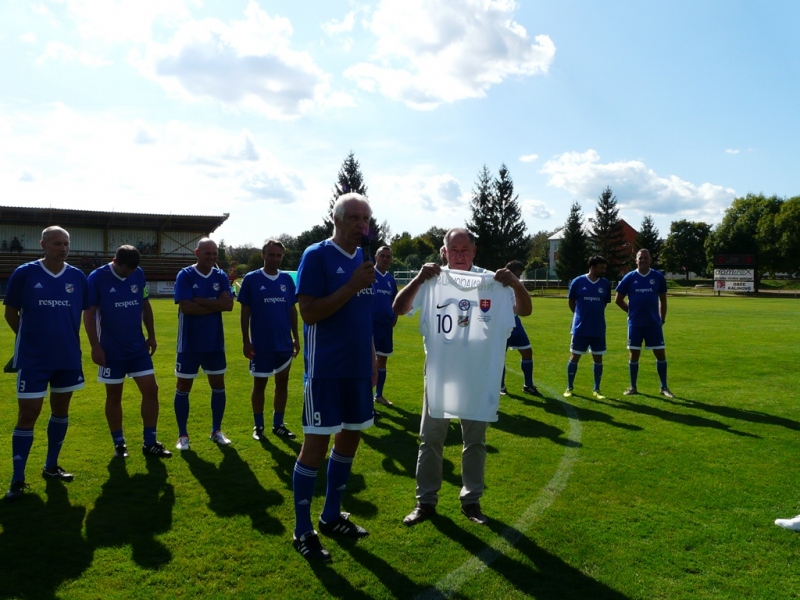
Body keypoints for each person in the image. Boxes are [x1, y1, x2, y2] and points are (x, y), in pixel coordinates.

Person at [394, 228, 532, 527]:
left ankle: (471, 501)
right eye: (453, 249)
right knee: (430, 439)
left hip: (479, 372)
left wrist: (515, 284)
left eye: (464, 249)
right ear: (444, 252)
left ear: (474, 251)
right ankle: (425, 501)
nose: (458, 254)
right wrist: (418, 278)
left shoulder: (493, 281)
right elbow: (398, 308)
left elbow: (525, 310)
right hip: (441, 371)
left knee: (475, 440)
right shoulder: (433, 279)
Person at [291, 193, 377, 562]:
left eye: (366, 218)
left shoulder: (364, 258)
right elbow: (309, 313)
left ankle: (330, 516)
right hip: (326, 370)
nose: (362, 225)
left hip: (359, 369)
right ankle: (302, 530)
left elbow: (364, 314)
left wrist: (372, 356)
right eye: (355, 217)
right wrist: (350, 286)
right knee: (315, 446)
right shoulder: (316, 255)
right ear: (337, 219)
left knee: (350, 440)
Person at [3, 226, 89, 500]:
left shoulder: (77, 276)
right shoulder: (25, 273)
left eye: (66, 243)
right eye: (56, 243)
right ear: (43, 244)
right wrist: (28, 339)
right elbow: (10, 312)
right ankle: (17, 478)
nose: (62, 248)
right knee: (28, 415)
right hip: (34, 359)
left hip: (67, 358)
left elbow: (85, 312)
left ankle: (51, 465)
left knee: (61, 412)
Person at [83, 245, 172, 459]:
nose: (130, 274)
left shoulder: (138, 273)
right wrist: (95, 346)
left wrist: (151, 335)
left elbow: (144, 304)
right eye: (126, 270)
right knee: (114, 396)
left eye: (133, 270)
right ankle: (119, 443)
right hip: (111, 350)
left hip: (137, 348)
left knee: (151, 390)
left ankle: (150, 442)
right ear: (116, 261)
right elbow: (89, 314)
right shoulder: (97, 277)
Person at [173, 238, 234, 451]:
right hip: (189, 343)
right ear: (197, 253)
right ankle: (183, 435)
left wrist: (200, 299)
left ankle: (216, 431)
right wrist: (215, 304)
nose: (212, 257)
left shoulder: (221, 276)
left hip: (214, 342)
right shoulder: (185, 275)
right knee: (183, 387)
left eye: (215, 253)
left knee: (218, 385)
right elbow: (186, 307)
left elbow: (228, 305)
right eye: (208, 253)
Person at [238, 240, 300, 441]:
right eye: (272, 255)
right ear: (263, 255)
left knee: (282, 383)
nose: (275, 259)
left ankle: (278, 424)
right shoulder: (251, 279)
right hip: (261, 344)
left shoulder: (287, 280)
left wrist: (296, 338)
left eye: (279, 255)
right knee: (260, 384)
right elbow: (245, 311)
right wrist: (246, 341)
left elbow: (292, 310)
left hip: (283, 343)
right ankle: (258, 425)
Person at [614, 248, 673, 398]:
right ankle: (633, 387)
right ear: (636, 260)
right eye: (640, 258)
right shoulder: (629, 277)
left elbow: (663, 300)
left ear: (650, 260)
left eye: (646, 258)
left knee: (660, 353)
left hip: (654, 324)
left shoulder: (658, 277)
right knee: (634, 354)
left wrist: (662, 318)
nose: (643, 260)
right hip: (635, 324)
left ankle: (664, 387)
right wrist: (630, 312)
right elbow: (618, 299)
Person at [564, 256, 612, 399]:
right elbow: (571, 302)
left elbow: (604, 303)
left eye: (605, 268)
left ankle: (597, 389)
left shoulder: (605, 284)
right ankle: (569, 387)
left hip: (598, 328)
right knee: (574, 357)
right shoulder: (577, 282)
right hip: (580, 328)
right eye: (601, 268)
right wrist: (580, 315)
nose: (604, 271)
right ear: (592, 267)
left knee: (598, 359)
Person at [499, 260, 541, 396]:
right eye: (517, 275)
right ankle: (500, 386)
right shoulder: (496, 285)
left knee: (527, 352)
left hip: (515, 322)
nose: (519, 278)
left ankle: (528, 385)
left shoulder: (516, 285)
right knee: (499, 357)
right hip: (500, 324)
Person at [372, 246, 398, 408]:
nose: (385, 259)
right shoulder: (369, 275)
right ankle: (366, 399)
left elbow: (395, 301)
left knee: (382, 361)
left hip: (385, 327)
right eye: (382, 255)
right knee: (369, 362)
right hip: (370, 326)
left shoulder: (390, 279)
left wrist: (394, 317)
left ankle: (378, 395)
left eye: (388, 256)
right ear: (376, 257)